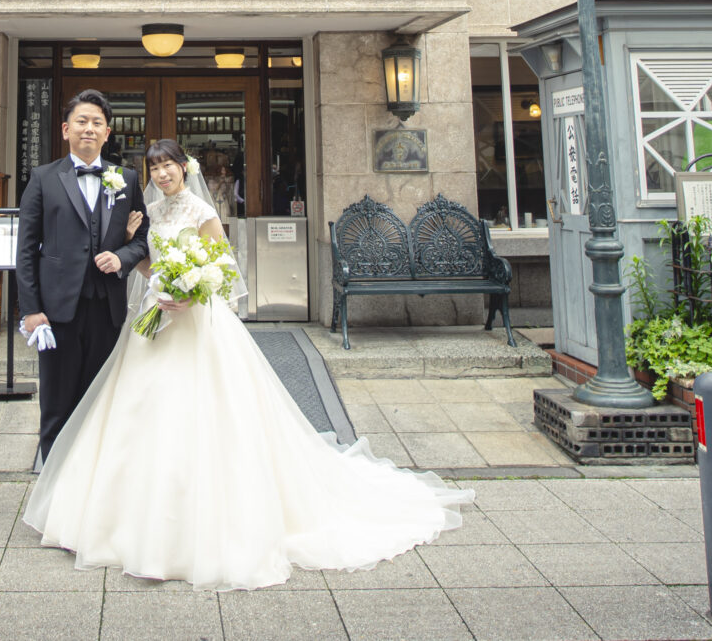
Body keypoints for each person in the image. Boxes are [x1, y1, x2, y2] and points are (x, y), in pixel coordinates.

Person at [23, 138, 472, 591]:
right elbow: (144, 266)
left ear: (184, 167)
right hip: (155, 320)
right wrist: (148, 268)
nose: (161, 174)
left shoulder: (202, 211)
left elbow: (224, 270)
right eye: (154, 167)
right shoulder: (150, 216)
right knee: (139, 411)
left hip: (198, 325)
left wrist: (191, 291)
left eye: (168, 166)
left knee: (210, 414)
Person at [16, 89, 150, 466]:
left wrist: (122, 257)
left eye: (97, 123)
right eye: (82, 121)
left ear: (108, 133)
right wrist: (30, 310)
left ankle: (91, 494)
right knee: (57, 406)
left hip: (107, 310)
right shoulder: (43, 178)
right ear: (65, 129)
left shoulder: (125, 179)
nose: (89, 129)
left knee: (100, 404)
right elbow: (26, 250)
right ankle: (53, 498)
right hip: (56, 313)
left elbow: (143, 239)